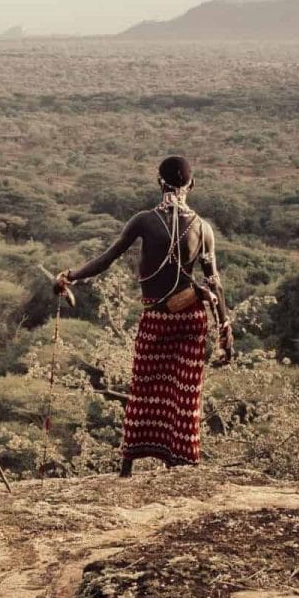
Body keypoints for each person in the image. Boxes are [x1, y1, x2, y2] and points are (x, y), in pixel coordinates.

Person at [54, 157, 234, 476]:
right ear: (191, 186)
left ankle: (127, 468)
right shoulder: (204, 228)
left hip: (158, 319)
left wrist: (71, 275)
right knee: (184, 394)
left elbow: (108, 258)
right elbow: (214, 282)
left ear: (159, 182)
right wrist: (225, 332)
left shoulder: (144, 220)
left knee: (144, 388)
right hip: (192, 319)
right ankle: (179, 463)